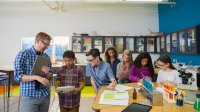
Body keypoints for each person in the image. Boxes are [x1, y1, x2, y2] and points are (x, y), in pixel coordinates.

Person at [14, 32, 52, 112]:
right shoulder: (23, 54)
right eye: (45, 44)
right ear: (38, 41)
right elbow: (18, 76)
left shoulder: (46, 57)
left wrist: (47, 73)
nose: (47, 47)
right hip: (29, 96)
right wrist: (37, 77)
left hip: (45, 95)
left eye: (48, 45)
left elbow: (49, 76)